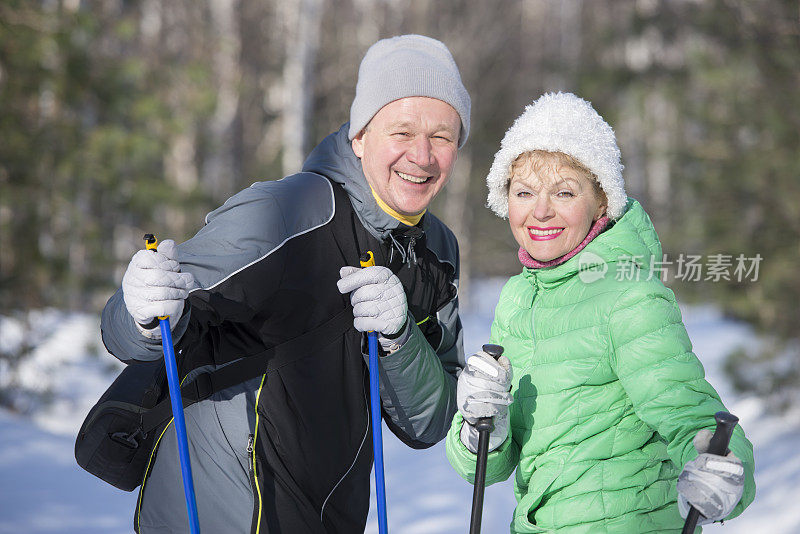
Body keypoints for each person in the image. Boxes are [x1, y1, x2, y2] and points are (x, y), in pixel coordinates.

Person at [101, 34, 470, 533]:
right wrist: (142, 311)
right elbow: (144, 331)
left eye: (442, 136)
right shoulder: (288, 212)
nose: (422, 156)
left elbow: (430, 421)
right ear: (360, 136)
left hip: (329, 515)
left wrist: (399, 340)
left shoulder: (436, 254)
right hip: (217, 511)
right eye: (402, 132)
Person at [445, 92, 755, 533]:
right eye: (524, 192)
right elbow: (490, 466)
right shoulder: (517, 300)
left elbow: (694, 417)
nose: (541, 210)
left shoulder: (627, 294)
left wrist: (722, 467)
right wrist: (483, 425)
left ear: (602, 202)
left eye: (565, 192)